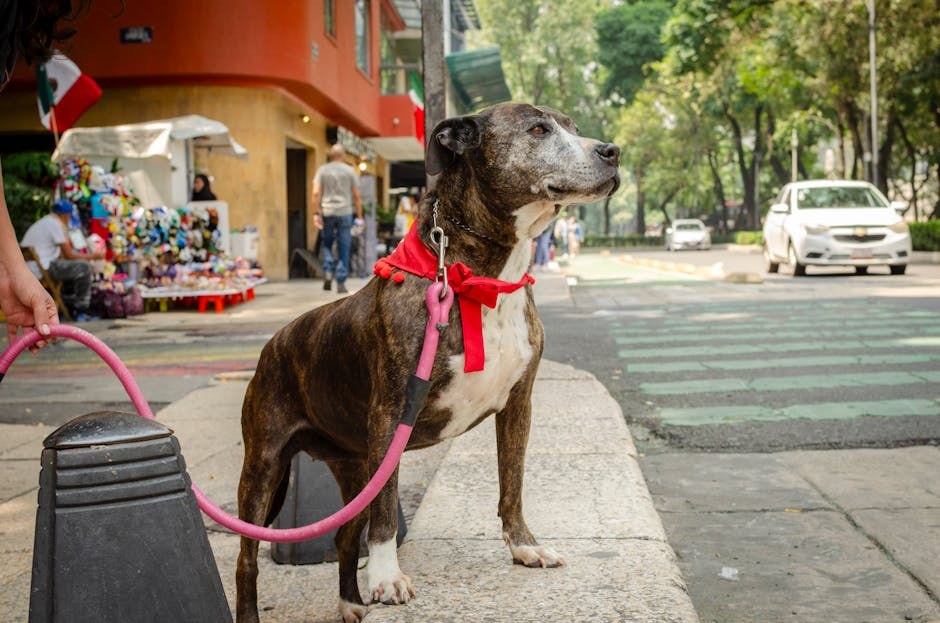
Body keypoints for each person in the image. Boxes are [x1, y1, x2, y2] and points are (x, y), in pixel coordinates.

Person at [0, 0, 95, 349]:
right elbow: (69, 256)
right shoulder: (56, 224)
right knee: (82, 271)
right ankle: (83, 310)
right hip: (47, 269)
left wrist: (11, 272)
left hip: (28, 270)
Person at [21, 199, 105, 320]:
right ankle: (81, 307)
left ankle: (68, 303)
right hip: (42, 268)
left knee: (71, 268)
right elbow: (69, 255)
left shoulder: (45, 222)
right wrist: (94, 257)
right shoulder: (55, 223)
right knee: (84, 267)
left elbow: (63, 255)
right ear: (67, 215)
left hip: (31, 268)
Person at [312, 144, 362, 294]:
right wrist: (359, 216)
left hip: (327, 212)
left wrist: (316, 213)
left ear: (330, 155)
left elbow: (315, 193)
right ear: (343, 156)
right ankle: (341, 281)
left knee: (326, 243)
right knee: (344, 246)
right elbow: (357, 196)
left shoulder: (322, 170)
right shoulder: (350, 171)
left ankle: (328, 271)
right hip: (345, 212)